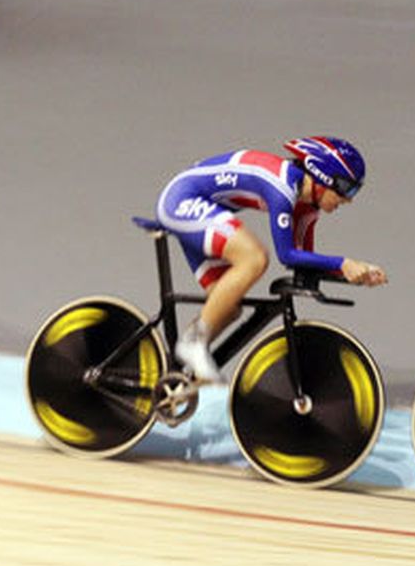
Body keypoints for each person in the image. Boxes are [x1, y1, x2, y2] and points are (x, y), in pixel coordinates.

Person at [154, 136, 388, 383]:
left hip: (204, 207)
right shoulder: (282, 185)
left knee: (228, 309)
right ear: (325, 177)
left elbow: (302, 261)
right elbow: (285, 254)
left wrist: (356, 275)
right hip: (181, 200)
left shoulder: (306, 205)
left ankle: (187, 383)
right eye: (348, 189)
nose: (349, 199)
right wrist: (343, 263)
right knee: (254, 258)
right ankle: (192, 343)